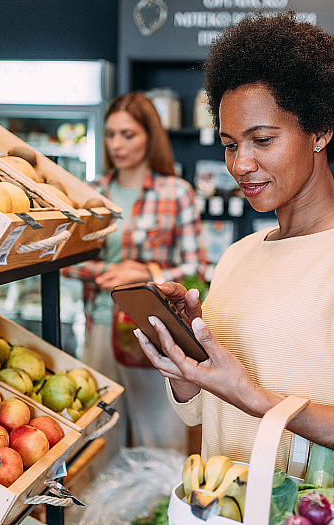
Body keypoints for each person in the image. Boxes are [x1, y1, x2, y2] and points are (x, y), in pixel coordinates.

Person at [133, 11, 334, 509]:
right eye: (231, 145)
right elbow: (204, 418)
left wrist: (261, 402)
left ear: (320, 130)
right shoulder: (237, 258)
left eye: (262, 140)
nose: (241, 164)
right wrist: (188, 363)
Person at [61, 92, 208, 454]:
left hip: (155, 329)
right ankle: (97, 514)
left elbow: (198, 268)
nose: (117, 144)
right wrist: (111, 272)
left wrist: (146, 272)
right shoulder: (92, 194)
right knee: (97, 440)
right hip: (98, 328)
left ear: (150, 136)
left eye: (128, 134)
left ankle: (162, 510)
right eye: (111, 134)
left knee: (161, 441)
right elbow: (65, 259)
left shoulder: (177, 192)